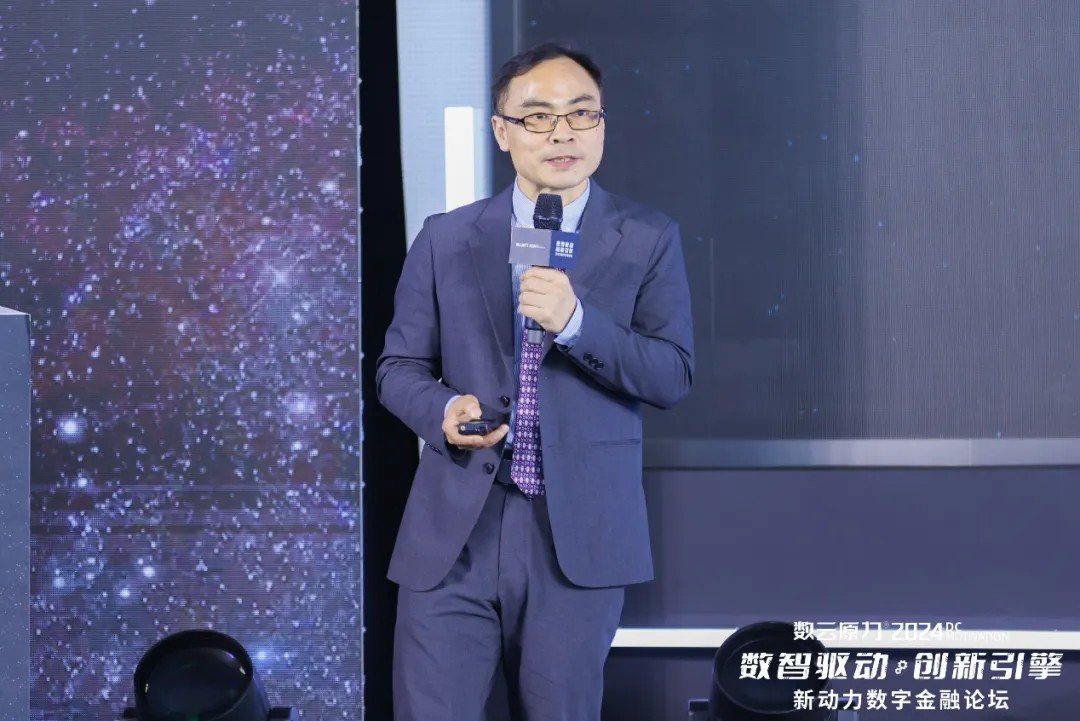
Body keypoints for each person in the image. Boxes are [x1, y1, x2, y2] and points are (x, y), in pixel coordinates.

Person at [376, 42, 694, 721]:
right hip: (455, 531)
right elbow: (397, 368)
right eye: (539, 116)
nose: (562, 133)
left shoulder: (647, 237)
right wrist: (442, 409)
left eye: (582, 114)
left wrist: (577, 323)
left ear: (602, 125)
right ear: (502, 131)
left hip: (575, 534)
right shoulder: (446, 238)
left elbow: (672, 373)